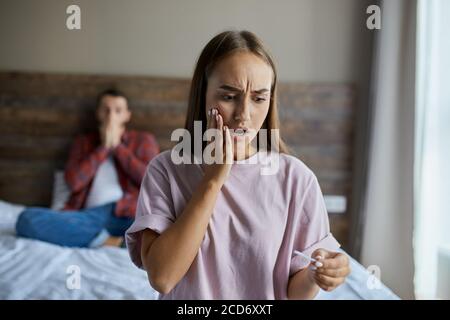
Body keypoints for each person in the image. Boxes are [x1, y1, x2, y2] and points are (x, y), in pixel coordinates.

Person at [125, 30, 350, 299]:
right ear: (203, 94)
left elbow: (293, 294)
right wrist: (213, 179)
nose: (244, 115)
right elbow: (162, 278)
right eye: (229, 97)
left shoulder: (296, 179)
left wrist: (315, 275)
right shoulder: (165, 170)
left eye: (258, 98)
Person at [15, 89, 160, 247]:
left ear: (127, 115)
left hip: (130, 213)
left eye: (118, 110)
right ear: (98, 113)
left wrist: (117, 147)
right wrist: (104, 147)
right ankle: (111, 241)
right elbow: (73, 182)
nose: (111, 116)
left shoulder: (143, 140)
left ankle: (114, 240)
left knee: (162, 227)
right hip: (88, 217)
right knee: (27, 220)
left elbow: (151, 182)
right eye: (106, 110)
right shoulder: (83, 142)